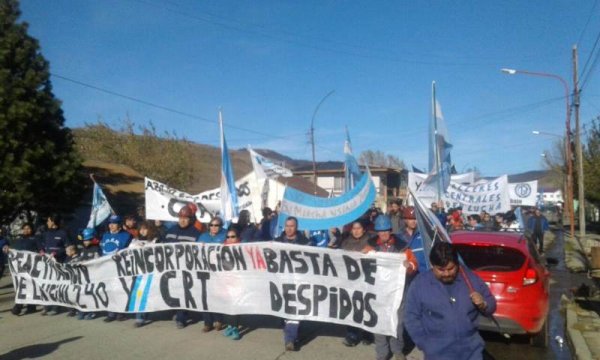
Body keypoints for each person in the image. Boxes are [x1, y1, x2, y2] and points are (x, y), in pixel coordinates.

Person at [404, 242, 496, 360]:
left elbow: (491, 305)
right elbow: (411, 317)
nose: (447, 274)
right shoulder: (420, 284)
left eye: (450, 269)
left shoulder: (471, 280)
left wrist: (484, 304)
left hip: (471, 352)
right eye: (441, 270)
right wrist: (425, 344)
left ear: (457, 264)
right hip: (437, 354)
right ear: (432, 265)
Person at [368, 215, 418, 360]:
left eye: (385, 230)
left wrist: (409, 266)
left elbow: (414, 264)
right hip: (377, 292)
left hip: (398, 293)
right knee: (378, 324)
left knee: (397, 324)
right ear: (377, 232)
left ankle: (397, 351)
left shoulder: (402, 246)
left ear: (390, 230)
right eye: (380, 231)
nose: (383, 234)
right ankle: (382, 354)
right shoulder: (370, 246)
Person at [274, 216, 311, 351]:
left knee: (294, 309)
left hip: (298, 282)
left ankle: (289, 339)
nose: (289, 229)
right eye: (287, 226)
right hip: (281, 281)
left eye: (292, 226)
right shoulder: (276, 242)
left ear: (297, 227)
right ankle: (291, 331)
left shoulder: (306, 243)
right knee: (284, 310)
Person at [164, 204, 202, 329]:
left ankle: (181, 317)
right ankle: (175, 311)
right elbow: (161, 247)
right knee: (172, 290)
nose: (183, 220)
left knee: (183, 292)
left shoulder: (196, 233)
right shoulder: (170, 231)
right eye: (181, 217)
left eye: (186, 218)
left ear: (190, 219)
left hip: (186, 268)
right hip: (170, 267)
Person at [337, 219, 375, 347]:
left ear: (364, 229)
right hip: (350, 281)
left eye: (359, 228)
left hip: (366, 280)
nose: (356, 231)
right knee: (351, 307)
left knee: (366, 306)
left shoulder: (371, 240)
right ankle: (351, 335)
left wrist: (371, 250)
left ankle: (367, 335)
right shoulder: (346, 242)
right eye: (354, 228)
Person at [127, 221, 160, 327]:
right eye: (141, 228)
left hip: (151, 272)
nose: (142, 231)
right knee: (139, 294)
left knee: (147, 294)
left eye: (145, 228)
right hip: (138, 272)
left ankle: (146, 314)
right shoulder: (134, 241)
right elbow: (127, 254)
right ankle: (139, 317)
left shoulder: (155, 241)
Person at [101, 215, 132, 322]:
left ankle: (121, 313)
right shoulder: (105, 235)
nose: (111, 225)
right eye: (110, 223)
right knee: (109, 290)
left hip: (120, 267)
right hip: (106, 267)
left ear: (119, 225)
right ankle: (111, 313)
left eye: (114, 223)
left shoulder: (126, 236)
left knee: (120, 290)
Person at [197, 217, 226, 332]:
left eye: (217, 225)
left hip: (219, 271)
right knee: (205, 296)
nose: (214, 227)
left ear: (221, 226)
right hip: (205, 270)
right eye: (212, 225)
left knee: (217, 295)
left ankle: (218, 320)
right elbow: (195, 251)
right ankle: (207, 322)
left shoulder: (224, 235)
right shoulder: (203, 236)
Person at [40, 213, 70, 315]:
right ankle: (46, 306)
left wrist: (57, 253)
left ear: (53, 222)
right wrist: (41, 251)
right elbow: (43, 246)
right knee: (46, 285)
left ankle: (56, 307)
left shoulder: (63, 233)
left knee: (57, 285)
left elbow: (68, 248)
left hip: (59, 262)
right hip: (47, 264)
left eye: (48, 221)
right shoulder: (46, 233)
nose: (47, 223)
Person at [7, 223, 39, 315]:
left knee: (30, 286)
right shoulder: (20, 240)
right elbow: (14, 250)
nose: (26, 230)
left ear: (31, 230)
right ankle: (19, 306)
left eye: (28, 228)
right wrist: (8, 249)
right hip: (21, 268)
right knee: (21, 286)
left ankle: (27, 306)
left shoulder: (35, 239)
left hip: (32, 266)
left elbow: (40, 250)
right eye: (24, 228)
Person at [222, 228, 243, 340]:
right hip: (225, 282)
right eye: (228, 237)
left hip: (237, 282)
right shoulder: (221, 248)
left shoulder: (242, 248)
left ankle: (235, 327)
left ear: (237, 238)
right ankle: (230, 325)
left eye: (233, 237)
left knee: (235, 305)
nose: (230, 239)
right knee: (227, 305)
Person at [398, 207, 428, 273]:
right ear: (405, 220)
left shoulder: (423, 236)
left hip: (422, 274)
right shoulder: (398, 237)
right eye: (410, 219)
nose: (413, 221)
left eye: (415, 219)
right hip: (405, 275)